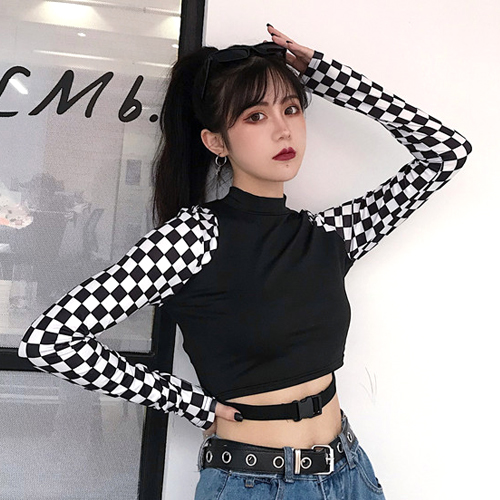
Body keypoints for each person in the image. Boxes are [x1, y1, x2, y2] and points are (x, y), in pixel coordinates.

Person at [18, 24, 471, 500]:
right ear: (216, 142)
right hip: (254, 483)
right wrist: (189, 403)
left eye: (291, 109)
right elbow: (49, 340)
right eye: (255, 116)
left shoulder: (330, 235)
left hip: (351, 472)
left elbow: (446, 152)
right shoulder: (191, 239)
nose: (283, 129)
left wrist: (328, 76)